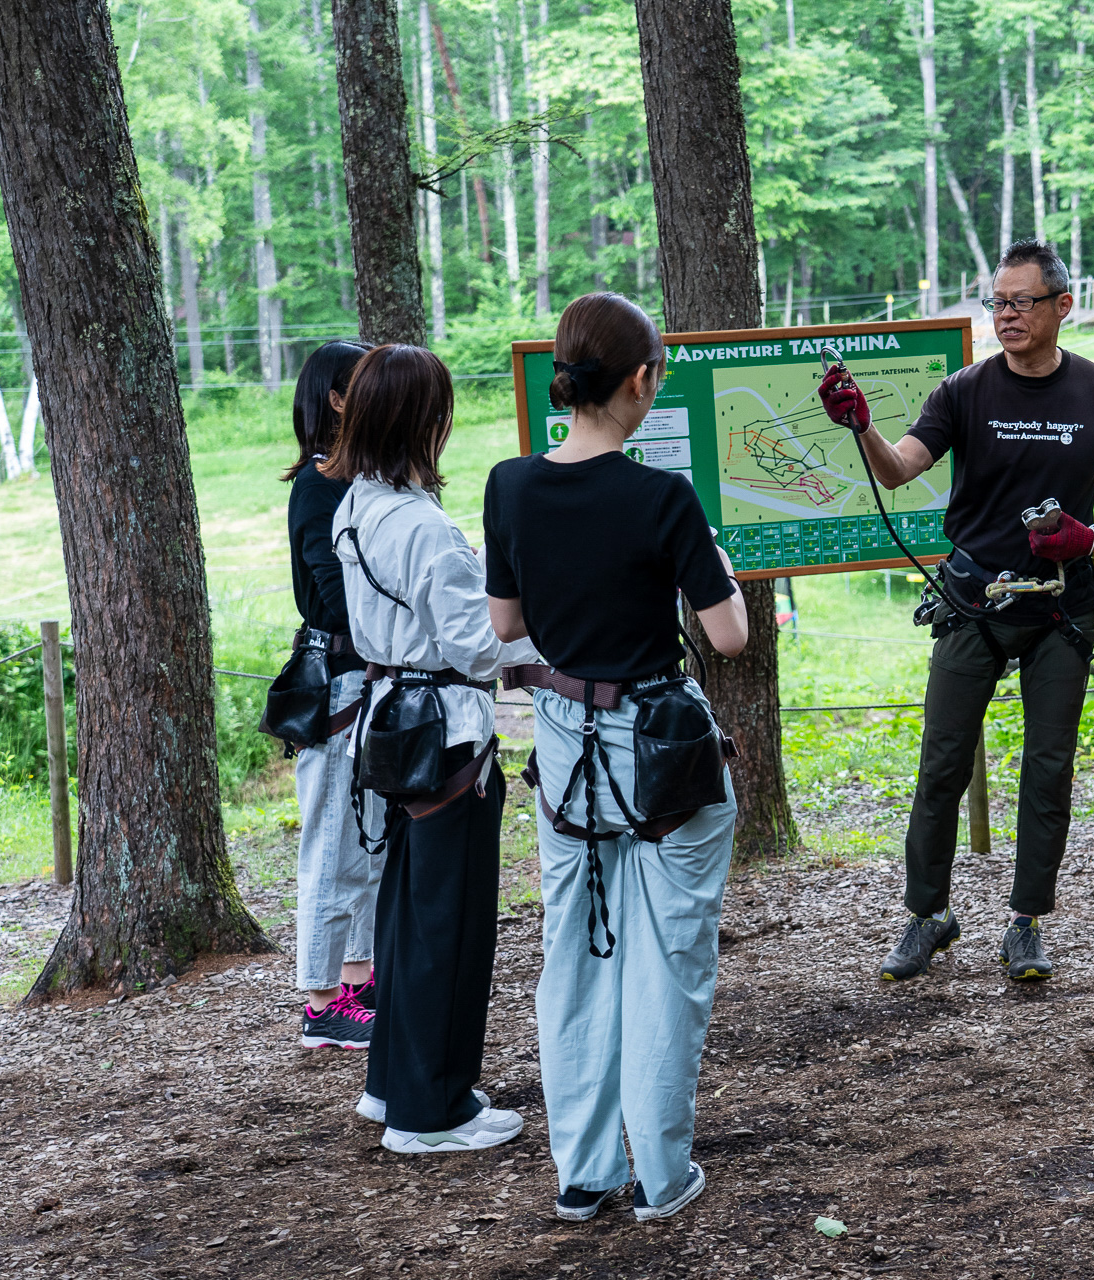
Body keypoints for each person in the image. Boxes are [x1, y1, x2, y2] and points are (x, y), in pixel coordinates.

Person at [819, 239, 1094, 983]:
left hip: (1061, 609)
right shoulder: (964, 390)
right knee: (941, 763)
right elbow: (900, 468)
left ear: (1061, 306)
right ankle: (926, 915)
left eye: (1021, 302)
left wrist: (1093, 534)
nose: (1006, 315)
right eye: (997, 302)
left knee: (1047, 768)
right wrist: (861, 426)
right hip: (971, 601)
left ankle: (1025, 923)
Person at [484, 292, 747, 1222]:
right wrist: (708, 554)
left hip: (563, 749)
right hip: (659, 754)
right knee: (666, 959)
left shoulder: (509, 486)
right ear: (640, 382)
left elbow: (507, 625)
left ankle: (583, 1172)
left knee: (577, 955)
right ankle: (663, 1174)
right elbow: (727, 638)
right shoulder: (663, 498)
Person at [324, 343, 542, 1154]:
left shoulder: (358, 505)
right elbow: (476, 644)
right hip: (445, 732)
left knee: (407, 914)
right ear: (426, 420)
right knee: (449, 926)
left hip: (392, 722)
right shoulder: (419, 524)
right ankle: (433, 1110)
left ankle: (394, 1085)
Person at [282, 339, 383, 1051]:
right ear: (338, 399)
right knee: (329, 842)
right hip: (337, 679)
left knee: (369, 838)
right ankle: (321, 1000)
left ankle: (358, 979)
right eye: (366, 384)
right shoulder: (320, 487)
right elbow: (333, 595)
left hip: (371, 680)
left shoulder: (363, 480)